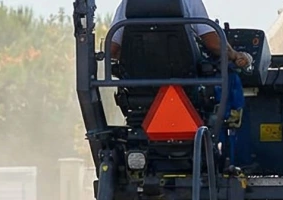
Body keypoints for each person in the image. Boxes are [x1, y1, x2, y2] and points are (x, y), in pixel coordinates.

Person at [108, 0, 251, 131]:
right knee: (228, 72)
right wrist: (234, 55)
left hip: (139, 91)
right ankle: (225, 135)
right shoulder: (189, 1)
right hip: (187, 88)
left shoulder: (128, 4)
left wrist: (138, 57)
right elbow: (214, 44)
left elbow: (111, 49)